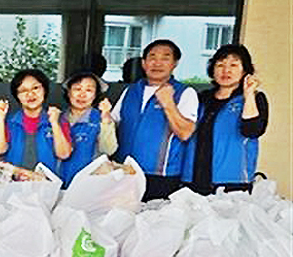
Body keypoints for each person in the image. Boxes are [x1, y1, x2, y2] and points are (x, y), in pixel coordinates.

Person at [111, 39, 198, 201]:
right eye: (152, 57)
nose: (157, 63)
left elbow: (185, 133)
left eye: (165, 58)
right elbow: (112, 124)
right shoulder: (131, 91)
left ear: (175, 64)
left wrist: (168, 103)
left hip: (161, 175)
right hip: (125, 171)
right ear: (143, 63)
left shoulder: (185, 93)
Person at [182, 44, 268, 195]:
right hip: (193, 178)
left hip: (231, 182)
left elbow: (252, 130)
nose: (226, 70)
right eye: (220, 65)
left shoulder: (254, 98)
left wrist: (248, 94)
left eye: (233, 65)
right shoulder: (201, 98)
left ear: (245, 70)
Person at [0, 69, 71, 176]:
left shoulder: (59, 120)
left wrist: (54, 124)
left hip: (47, 183)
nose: (30, 94)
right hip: (13, 183)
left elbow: (64, 154)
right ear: (17, 96)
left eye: (35, 88)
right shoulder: (10, 122)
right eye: (23, 90)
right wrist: (0, 117)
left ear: (44, 90)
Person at [55, 71, 117, 187]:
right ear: (68, 92)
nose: (82, 95)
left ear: (95, 95)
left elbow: (108, 150)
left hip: (90, 185)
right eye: (77, 89)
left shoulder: (101, 119)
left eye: (89, 90)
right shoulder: (57, 118)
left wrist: (105, 118)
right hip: (59, 183)